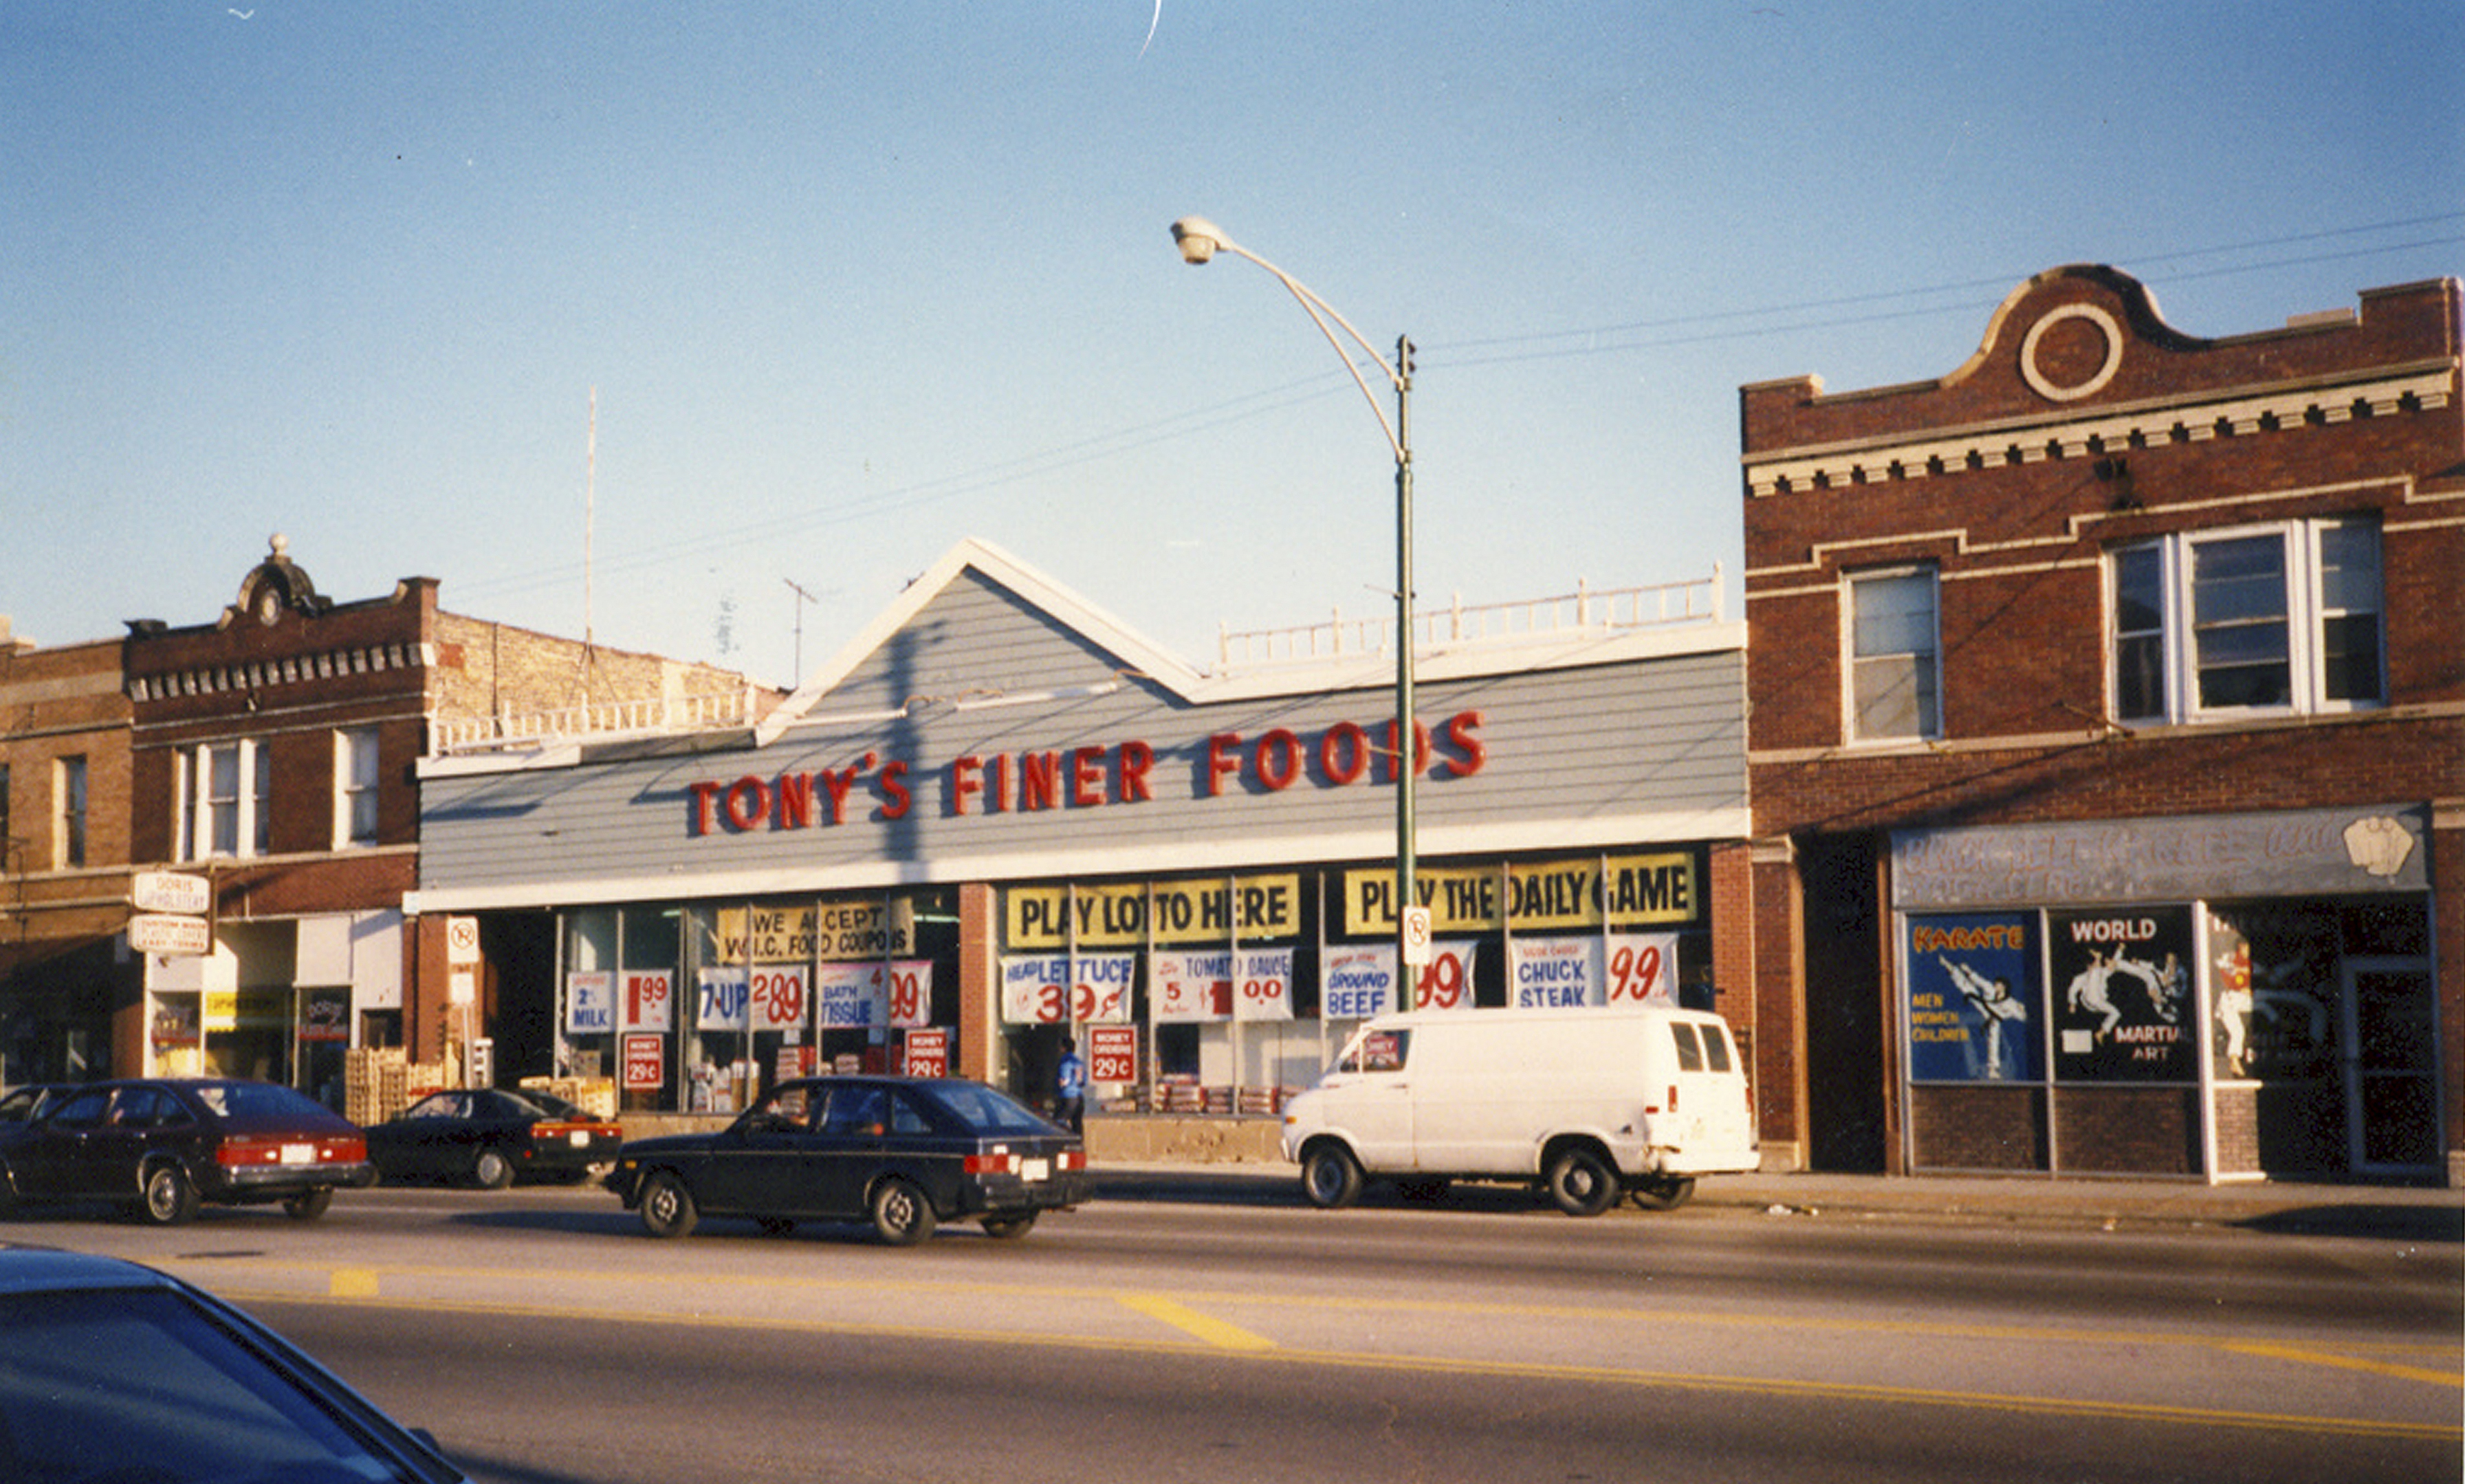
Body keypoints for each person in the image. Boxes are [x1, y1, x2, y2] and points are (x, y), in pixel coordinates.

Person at [1054, 1036, 1086, 1133]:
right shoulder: (1078, 1062)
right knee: (1077, 1124)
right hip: (1079, 1097)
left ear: (1063, 1048)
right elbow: (1083, 1081)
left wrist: (1061, 1084)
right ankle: (1078, 1144)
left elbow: (1064, 1080)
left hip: (1068, 1097)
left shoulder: (1066, 1061)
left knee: (1057, 1123)